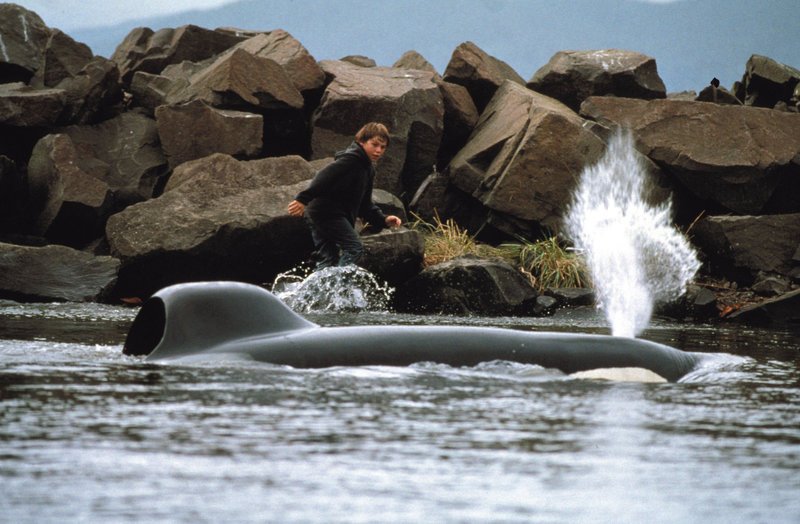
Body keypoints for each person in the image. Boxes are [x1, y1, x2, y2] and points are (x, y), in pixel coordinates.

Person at [287, 122, 402, 269]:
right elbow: (324, 176)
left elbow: (364, 205)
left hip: (319, 213)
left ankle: (314, 290)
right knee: (354, 248)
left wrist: (383, 219)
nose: (378, 150)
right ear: (361, 141)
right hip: (326, 213)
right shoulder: (352, 159)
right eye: (374, 145)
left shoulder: (368, 169)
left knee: (329, 259)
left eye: (383, 147)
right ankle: (339, 286)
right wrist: (302, 199)